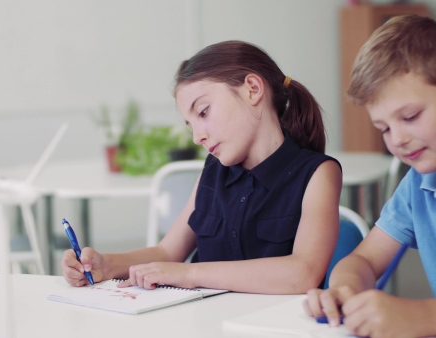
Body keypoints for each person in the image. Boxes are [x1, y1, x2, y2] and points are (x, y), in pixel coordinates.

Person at [62, 40, 342, 294]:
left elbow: (302, 273)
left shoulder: (318, 173)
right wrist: (105, 265)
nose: (197, 137)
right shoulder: (213, 170)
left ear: (253, 89)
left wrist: (190, 273)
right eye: (190, 124)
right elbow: (167, 251)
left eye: (204, 112)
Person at [303, 14, 436, 338]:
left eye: (410, 116)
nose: (397, 139)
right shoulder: (417, 187)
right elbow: (364, 260)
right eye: (384, 128)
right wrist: (346, 289)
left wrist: (419, 316)